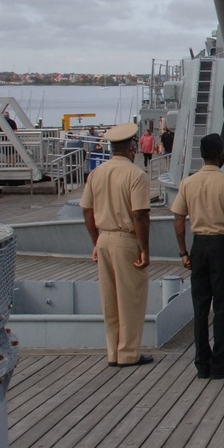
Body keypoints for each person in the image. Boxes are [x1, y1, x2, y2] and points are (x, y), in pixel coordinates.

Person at [79, 122, 153, 368]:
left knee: (109, 299)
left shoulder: (96, 173)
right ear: (132, 147)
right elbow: (140, 215)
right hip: (125, 239)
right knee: (130, 297)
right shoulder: (136, 175)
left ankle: (113, 352)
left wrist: (95, 241)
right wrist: (144, 249)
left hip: (104, 238)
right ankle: (129, 353)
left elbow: (87, 211)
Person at [173, 133, 224, 379]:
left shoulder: (187, 183)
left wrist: (183, 251)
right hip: (221, 244)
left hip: (198, 245)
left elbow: (179, 219)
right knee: (223, 307)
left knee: (200, 307)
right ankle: (220, 363)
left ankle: (202, 362)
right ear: (220, 156)